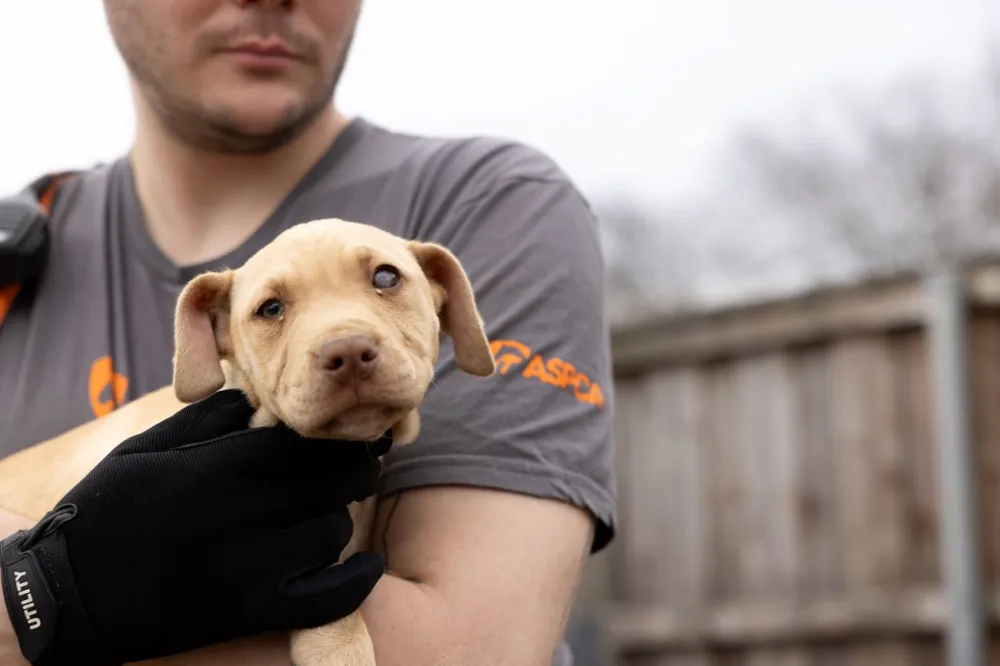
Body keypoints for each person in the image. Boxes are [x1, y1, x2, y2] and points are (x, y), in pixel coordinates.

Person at [0, 0, 616, 665]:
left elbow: (471, 650)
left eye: (384, 281)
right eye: (270, 310)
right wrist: (54, 586)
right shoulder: (14, 260)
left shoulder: (489, 203)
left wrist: (43, 600)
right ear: (212, 336)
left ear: (446, 300)